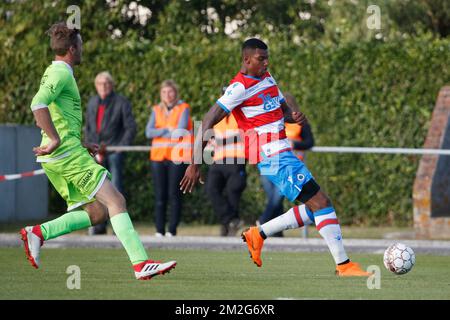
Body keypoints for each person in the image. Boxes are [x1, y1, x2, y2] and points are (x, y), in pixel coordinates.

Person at [180, 38, 371, 276]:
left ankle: (257, 234)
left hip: (282, 151)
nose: (266, 62)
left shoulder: (268, 77)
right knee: (321, 203)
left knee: (316, 207)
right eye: (261, 59)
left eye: (267, 58)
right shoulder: (239, 87)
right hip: (271, 154)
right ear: (246, 60)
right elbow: (208, 120)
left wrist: (293, 117)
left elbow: (280, 110)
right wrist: (194, 162)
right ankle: (344, 265)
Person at [20, 21, 176, 280]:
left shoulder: (55, 71)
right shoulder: (61, 73)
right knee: (116, 201)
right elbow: (38, 104)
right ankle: (140, 263)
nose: (82, 50)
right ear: (72, 48)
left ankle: (38, 233)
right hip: (66, 156)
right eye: (80, 46)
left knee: (98, 211)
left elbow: (57, 115)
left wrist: (79, 142)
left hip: (66, 154)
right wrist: (57, 140)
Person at [84, 71, 137, 235]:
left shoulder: (121, 102)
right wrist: (88, 146)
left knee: (115, 189)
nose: (103, 86)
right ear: (96, 86)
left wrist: (121, 147)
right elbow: (88, 127)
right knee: (96, 190)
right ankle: (98, 226)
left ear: (112, 85)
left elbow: (130, 127)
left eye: (106, 83)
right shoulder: (92, 102)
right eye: (100, 83)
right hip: (95, 152)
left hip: (114, 152)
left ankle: (118, 228)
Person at [257, 93, 315, 237]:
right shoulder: (272, 121)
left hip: (290, 166)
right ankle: (277, 233)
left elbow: (310, 142)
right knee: (273, 198)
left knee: (277, 197)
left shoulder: (298, 121)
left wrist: (295, 143)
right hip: (270, 162)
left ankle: (262, 223)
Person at [145, 80, 193, 237]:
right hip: (158, 157)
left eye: (170, 92)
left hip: (176, 156)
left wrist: (160, 131)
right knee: (160, 195)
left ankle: (172, 230)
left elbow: (179, 130)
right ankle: (159, 230)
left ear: (175, 93)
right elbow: (148, 132)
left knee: (174, 194)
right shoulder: (156, 109)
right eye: (164, 92)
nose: (167, 95)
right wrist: (166, 129)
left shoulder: (183, 108)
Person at [206, 88, 247, 236]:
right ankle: (231, 220)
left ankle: (227, 227)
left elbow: (244, 135)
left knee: (233, 193)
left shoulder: (242, 114)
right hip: (218, 160)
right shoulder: (215, 116)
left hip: (236, 158)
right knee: (211, 189)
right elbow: (208, 135)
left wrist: (220, 141)